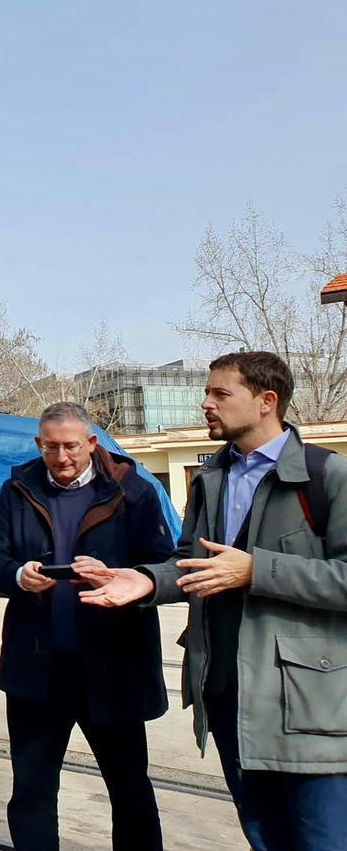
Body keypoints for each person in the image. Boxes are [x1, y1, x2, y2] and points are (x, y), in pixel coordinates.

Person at [80, 351, 347, 849]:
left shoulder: (327, 477)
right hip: (226, 693)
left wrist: (257, 569)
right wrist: (145, 580)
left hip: (309, 706)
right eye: (207, 392)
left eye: (220, 394)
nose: (206, 403)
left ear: (267, 401)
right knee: (264, 836)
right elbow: (190, 562)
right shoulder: (211, 478)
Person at [0, 401, 172, 850]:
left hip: (112, 668)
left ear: (91, 443)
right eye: (51, 447)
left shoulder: (133, 492)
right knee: (31, 790)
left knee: (129, 789)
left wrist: (120, 576)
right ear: (37, 444)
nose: (61, 457)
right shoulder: (18, 490)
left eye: (70, 447)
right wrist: (17, 576)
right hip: (38, 670)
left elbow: (163, 567)